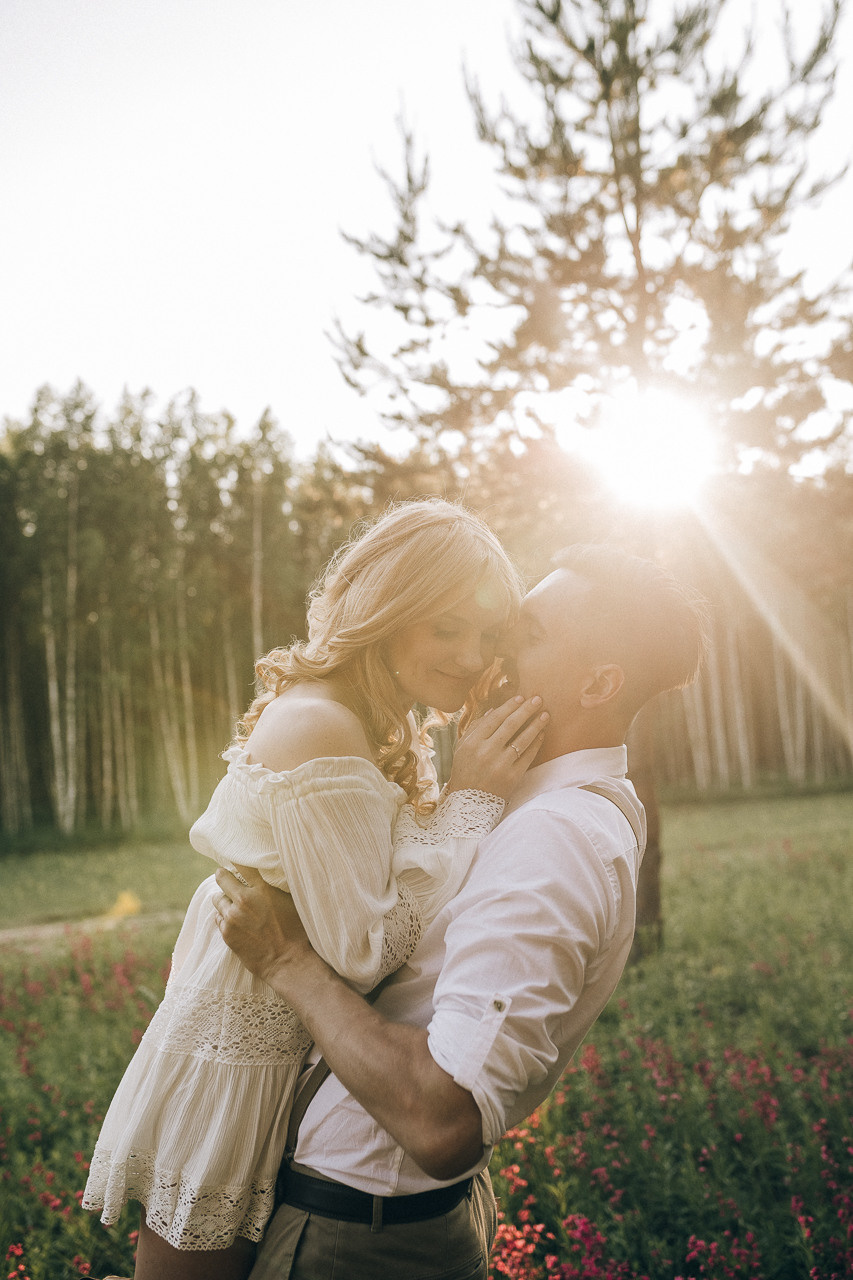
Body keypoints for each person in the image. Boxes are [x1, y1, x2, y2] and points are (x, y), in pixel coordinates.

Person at [212, 544, 709, 1280]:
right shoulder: (549, 807)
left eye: (526, 635)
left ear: (599, 682)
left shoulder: (557, 837)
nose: (491, 655)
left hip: (360, 1236)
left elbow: (443, 1120)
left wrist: (291, 965)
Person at [82, 499, 549, 1280]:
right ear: (385, 611)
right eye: (446, 627)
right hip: (246, 1056)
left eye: (487, 636)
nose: (471, 657)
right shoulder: (322, 724)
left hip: (301, 1051)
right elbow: (365, 951)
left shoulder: (373, 719)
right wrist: (470, 802)